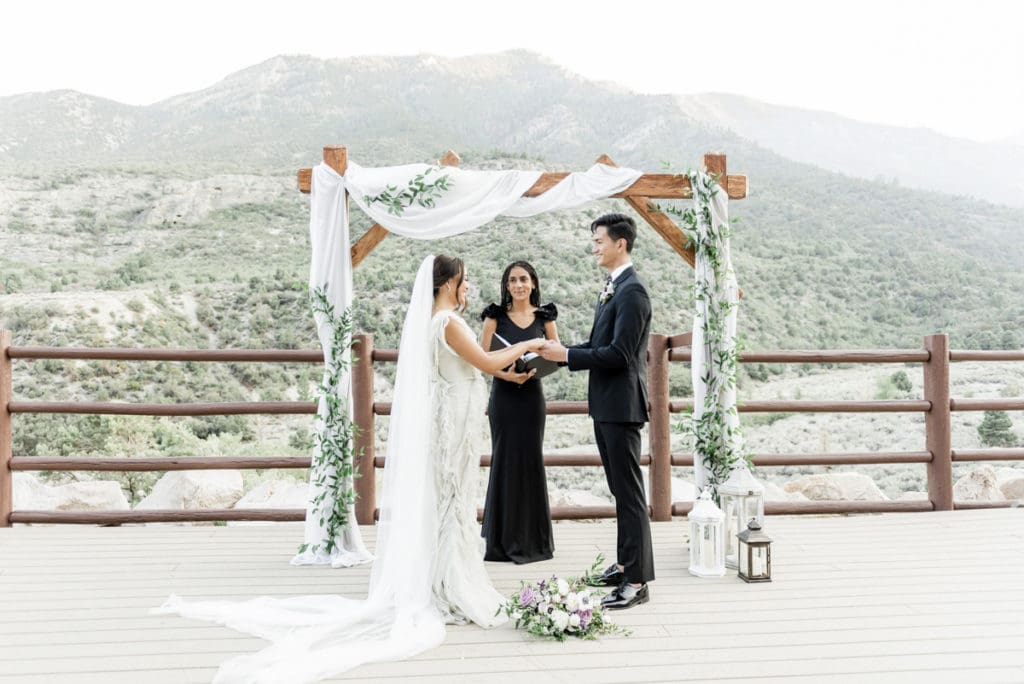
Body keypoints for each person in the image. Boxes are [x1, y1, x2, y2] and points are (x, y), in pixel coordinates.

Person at [155, 254, 545, 683]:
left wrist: (509, 376)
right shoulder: (447, 322)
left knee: (449, 499)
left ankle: (444, 580)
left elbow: (472, 367)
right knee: (451, 498)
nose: (469, 286)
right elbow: (486, 363)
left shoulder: (439, 319)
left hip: (452, 418)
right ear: (449, 283)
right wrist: (531, 345)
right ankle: (450, 586)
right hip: (451, 424)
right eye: (465, 280)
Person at [538, 213, 654, 610]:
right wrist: (559, 351)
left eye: (599, 240)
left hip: (622, 405)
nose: (595, 246)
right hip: (607, 404)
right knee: (620, 491)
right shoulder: (614, 288)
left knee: (630, 493)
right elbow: (598, 344)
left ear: (620, 243)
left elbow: (620, 355)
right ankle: (625, 565)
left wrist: (566, 355)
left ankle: (637, 582)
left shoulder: (633, 292)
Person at [479, 261, 558, 564]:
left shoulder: (545, 317)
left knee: (531, 463)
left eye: (523, 279)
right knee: (504, 462)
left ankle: (533, 542)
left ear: (533, 283)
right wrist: (507, 375)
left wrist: (540, 357)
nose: (518, 285)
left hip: (532, 398)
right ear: (506, 285)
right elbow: (482, 358)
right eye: (512, 280)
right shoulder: (493, 318)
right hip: (504, 398)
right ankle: (499, 545)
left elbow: (558, 354)